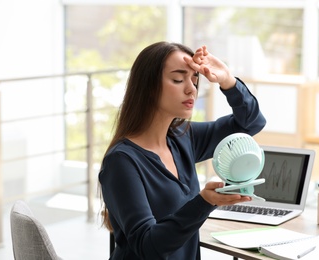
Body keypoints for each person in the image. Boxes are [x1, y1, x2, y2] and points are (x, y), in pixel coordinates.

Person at [99, 41, 266, 260]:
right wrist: (204, 202)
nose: (191, 88)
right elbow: (148, 246)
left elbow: (251, 123)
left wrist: (227, 80)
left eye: (194, 79)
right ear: (149, 87)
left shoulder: (183, 138)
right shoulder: (121, 162)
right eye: (178, 79)